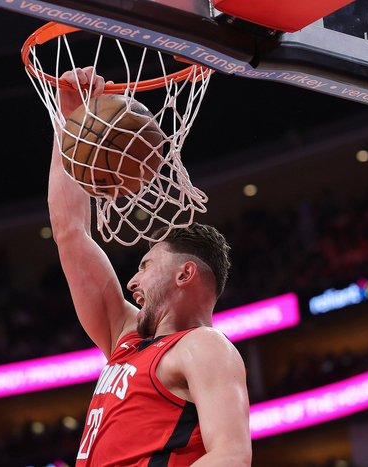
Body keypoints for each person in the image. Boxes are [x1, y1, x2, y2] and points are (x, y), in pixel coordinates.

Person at [48, 67, 252, 467]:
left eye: (145, 265)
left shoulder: (203, 346)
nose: (132, 280)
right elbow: (69, 231)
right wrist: (71, 123)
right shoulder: (124, 336)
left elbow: (231, 455)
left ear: (184, 274)